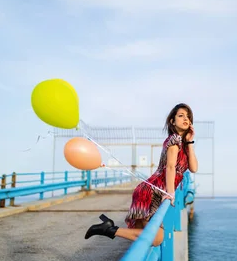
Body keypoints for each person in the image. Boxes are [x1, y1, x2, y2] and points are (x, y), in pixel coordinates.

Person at [84, 103, 199, 246]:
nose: (186, 119)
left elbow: (193, 168)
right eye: (181, 116)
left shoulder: (184, 144)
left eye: (188, 116)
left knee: (143, 238)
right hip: (151, 193)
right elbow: (170, 167)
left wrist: (190, 142)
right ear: (172, 121)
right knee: (156, 238)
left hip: (152, 190)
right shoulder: (174, 139)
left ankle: (109, 228)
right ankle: (109, 229)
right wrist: (170, 193)